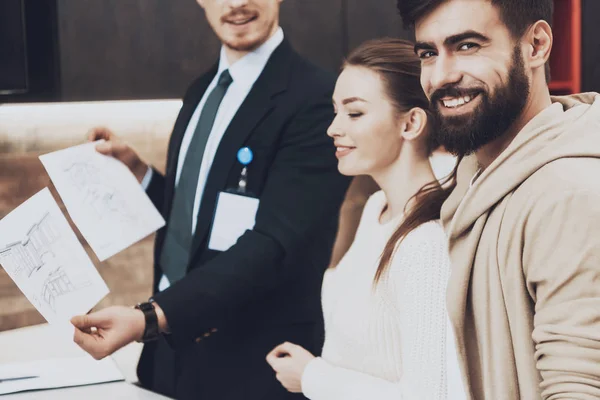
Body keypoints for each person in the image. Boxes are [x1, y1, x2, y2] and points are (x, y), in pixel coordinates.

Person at [69, 0, 350, 398]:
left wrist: (148, 318)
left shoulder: (319, 99)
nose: (235, 4)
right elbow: (200, 216)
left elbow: (273, 242)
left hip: (254, 363)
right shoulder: (201, 89)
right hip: (168, 353)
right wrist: (141, 174)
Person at [396, 0, 600, 398]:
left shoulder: (569, 194)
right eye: (428, 53)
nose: (441, 75)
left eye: (468, 46)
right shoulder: (475, 175)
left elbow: (578, 386)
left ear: (537, 45)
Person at [266, 38, 466, 399]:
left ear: (411, 123)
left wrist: (312, 377)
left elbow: (431, 395)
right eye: (335, 111)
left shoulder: (426, 243)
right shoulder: (375, 209)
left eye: (354, 113)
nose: (333, 128)